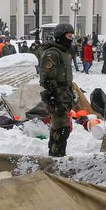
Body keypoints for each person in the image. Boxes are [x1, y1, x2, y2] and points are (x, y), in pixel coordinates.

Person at [39, 23, 76, 157]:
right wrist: (55, 101)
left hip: (64, 95)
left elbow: (66, 78)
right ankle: (57, 156)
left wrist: (71, 93)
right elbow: (48, 80)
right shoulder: (52, 54)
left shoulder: (64, 52)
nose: (71, 38)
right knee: (62, 129)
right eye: (68, 35)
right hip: (56, 95)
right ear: (60, 36)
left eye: (72, 35)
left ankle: (54, 155)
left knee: (58, 126)